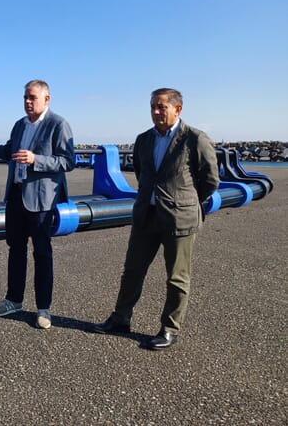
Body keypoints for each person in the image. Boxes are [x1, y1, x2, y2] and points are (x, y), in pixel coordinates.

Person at [90, 88, 220, 350]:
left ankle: (170, 328)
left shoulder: (195, 139)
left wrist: (187, 202)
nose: (156, 112)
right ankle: (121, 318)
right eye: (152, 107)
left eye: (161, 107)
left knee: (176, 278)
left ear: (177, 109)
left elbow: (210, 180)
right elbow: (141, 172)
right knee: (133, 270)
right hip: (146, 215)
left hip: (178, 218)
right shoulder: (143, 139)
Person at [0, 80, 74, 329]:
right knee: (16, 250)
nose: (27, 102)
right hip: (16, 195)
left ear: (47, 99)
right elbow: (6, 152)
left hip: (42, 200)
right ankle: (13, 300)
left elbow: (67, 161)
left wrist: (36, 159)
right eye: (25, 97)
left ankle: (44, 309)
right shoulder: (19, 125)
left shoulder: (58, 124)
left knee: (42, 253)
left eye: (32, 97)